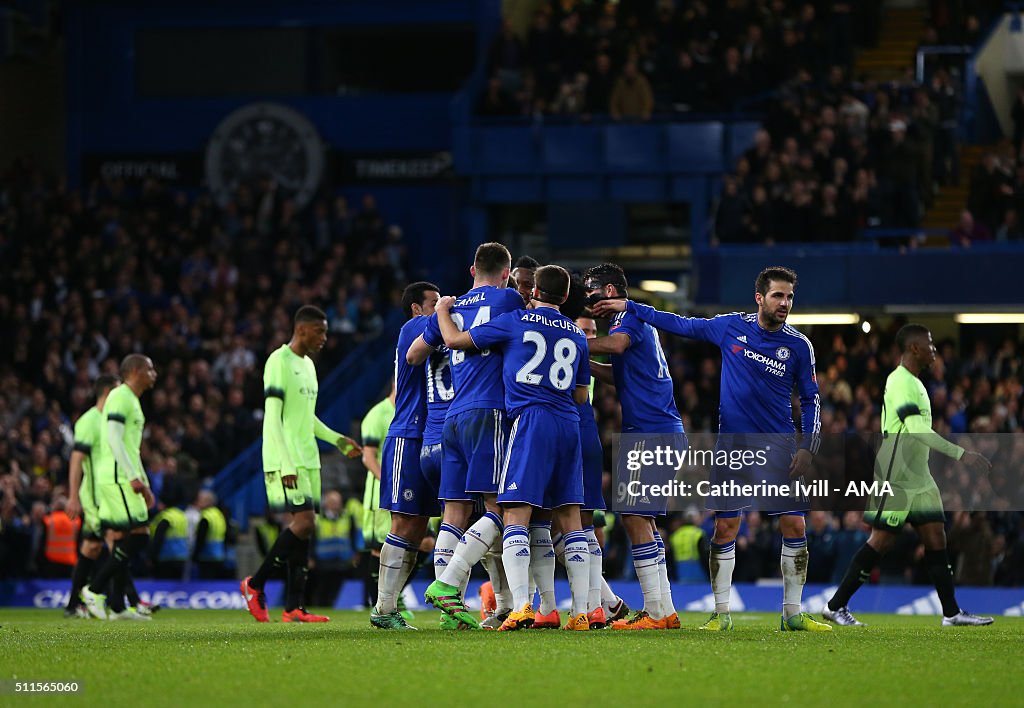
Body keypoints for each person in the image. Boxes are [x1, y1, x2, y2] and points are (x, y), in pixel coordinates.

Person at [593, 266, 830, 632]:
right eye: (778, 296)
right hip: (734, 445)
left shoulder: (799, 345)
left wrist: (808, 447)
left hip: (781, 445)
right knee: (725, 528)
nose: (785, 303)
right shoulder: (730, 327)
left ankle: (792, 613)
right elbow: (679, 323)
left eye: (789, 297)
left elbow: (813, 399)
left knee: (795, 524)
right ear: (760, 298)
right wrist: (631, 306)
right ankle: (721, 614)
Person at [435, 264, 593, 631]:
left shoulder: (517, 320)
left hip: (531, 420)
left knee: (515, 513)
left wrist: (443, 311)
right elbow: (582, 395)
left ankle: (521, 605)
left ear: (533, 290)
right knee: (570, 518)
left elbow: (457, 341)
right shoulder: (578, 334)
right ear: (566, 297)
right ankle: (583, 612)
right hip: (569, 423)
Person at [824, 324, 994, 627]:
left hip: (920, 476)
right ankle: (835, 606)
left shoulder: (916, 382)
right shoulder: (900, 381)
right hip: (898, 474)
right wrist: (960, 453)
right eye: (930, 344)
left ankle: (951, 613)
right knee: (882, 540)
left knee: (935, 537)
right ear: (915, 348)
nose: (935, 349)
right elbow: (915, 429)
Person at [412, 243, 523, 629]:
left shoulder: (451, 306)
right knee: (500, 508)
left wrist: (443, 313)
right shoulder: (509, 298)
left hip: (451, 419)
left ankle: (451, 612)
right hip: (489, 410)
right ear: (506, 273)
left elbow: (413, 354)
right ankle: (451, 584)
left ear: (471, 268)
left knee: (453, 513)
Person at [241, 306, 362, 623]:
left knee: (304, 532)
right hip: (287, 459)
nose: (324, 338)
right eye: (320, 331)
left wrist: (337, 440)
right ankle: (255, 584)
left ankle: (294, 606)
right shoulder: (278, 362)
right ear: (302, 330)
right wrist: (286, 463)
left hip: (308, 459)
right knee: (304, 523)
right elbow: (273, 418)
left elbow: (306, 418)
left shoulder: (308, 366)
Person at [585, 263, 683, 630]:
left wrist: (570, 342)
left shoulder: (627, 320)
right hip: (660, 429)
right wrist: (587, 361)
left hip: (651, 431)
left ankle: (657, 612)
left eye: (593, 294)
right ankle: (664, 610)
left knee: (633, 517)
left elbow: (617, 346)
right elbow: (618, 373)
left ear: (610, 290)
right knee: (646, 520)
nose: (589, 301)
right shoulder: (631, 322)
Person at [371, 282, 443, 630]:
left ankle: (390, 606)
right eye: (433, 302)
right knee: (402, 524)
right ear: (417, 308)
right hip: (406, 436)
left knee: (417, 529)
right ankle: (383, 608)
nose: (439, 306)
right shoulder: (415, 327)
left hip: (428, 436)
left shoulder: (431, 330)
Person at [79, 354, 158, 621]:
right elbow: (113, 439)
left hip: (124, 475)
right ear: (136, 371)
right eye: (149, 369)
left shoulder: (131, 400)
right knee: (140, 534)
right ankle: (94, 589)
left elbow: (131, 448)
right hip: (117, 477)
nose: (154, 373)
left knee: (124, 538)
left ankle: (118, 607)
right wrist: (133, 477)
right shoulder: (120, 397)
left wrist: (143, 480)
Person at [64, 373, 119, 618]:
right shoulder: (89, 421)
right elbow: (77, 459)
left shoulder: (109, 420)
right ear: (107, 392)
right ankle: (119, 600)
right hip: (96, 496)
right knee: (116, 540)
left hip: (107, 493)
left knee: (91, 548)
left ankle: (73, 604)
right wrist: (73, 497)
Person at [359, 384, 396, 609]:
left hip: (402, 492)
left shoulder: (409, 410)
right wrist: (387, 482)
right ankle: (376, 605)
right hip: (379, 494)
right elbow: (368, 457)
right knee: (378, 547)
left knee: (423, 542)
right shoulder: (377, 414)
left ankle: (392, 595)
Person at [309, 490, 361, 608]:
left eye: (337, 502)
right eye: (332, 501)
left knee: (337, 587)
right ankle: (319, 607)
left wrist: (355, 552)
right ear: (326, 503)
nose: (335, 504)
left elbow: (352, 535)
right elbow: (312, 539)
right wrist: (310, 557)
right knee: (322, 588)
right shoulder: (318, 519)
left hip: (342, 559)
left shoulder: (347, 517)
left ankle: (331, 606)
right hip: (322, 560)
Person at [191, 490, 227, 579]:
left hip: (206, 557)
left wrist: (194, 556)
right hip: (219, 555)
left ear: (207, 502)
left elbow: (201, 538)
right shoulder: (219, 514)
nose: (197, 502)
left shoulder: (206, 517)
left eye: (199, 500)